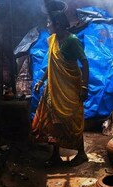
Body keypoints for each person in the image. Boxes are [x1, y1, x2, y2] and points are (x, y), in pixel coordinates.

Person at [31, 11, 89, 167]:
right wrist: (41, 81)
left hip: (70, 87)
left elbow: (85, 63)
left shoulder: (72, 41)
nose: (47, 25)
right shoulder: (53, 40)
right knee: (52, 121)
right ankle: (55, 154)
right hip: (53, 87)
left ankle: (81, 153)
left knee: (72, 120)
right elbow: (51, 65)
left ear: (59, 24)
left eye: (50, 22)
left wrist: (84, 87)